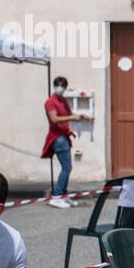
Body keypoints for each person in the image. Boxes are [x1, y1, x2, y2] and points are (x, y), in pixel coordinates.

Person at [42, 76, 89, 208]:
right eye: (58, 85)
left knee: (67, 167)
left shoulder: (62, 101)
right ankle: (57, 196)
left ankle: (63, 195)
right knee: (66, 167)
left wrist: (80, 116)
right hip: (58, 138)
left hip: (64, 137)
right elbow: (54, 119)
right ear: (54, 86)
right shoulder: (50, 102)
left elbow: (70, 114)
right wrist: (73, 117)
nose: (60, 88)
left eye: (63, 85)